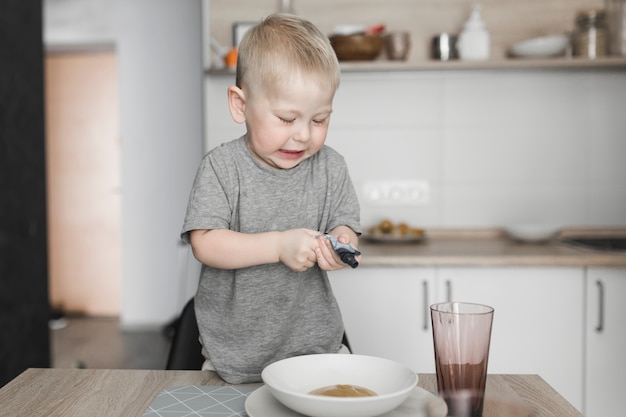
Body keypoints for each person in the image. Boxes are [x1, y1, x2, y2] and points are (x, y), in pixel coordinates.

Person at [181, 13, 361, 384]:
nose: (302, 135)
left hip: (316, 349)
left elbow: (346, 226)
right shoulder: (221, 168)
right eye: (286, 118)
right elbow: (205, 243)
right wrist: (279, 246)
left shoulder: (331, 168)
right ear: (239, 105)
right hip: (233, 357)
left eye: (319, 119)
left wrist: (342, 244)